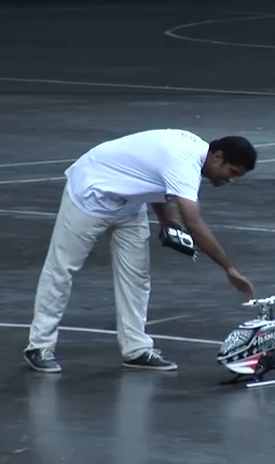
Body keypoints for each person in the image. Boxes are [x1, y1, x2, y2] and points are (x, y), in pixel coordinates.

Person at [23, 128, 257, 373]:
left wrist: (165, 220)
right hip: (91, 194)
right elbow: (194, 223)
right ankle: (39, 346)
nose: (232, 180)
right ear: (218, 156)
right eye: (232, 172)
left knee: (137, 277)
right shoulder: (183, 161)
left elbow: (151, 176)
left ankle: (135, 349)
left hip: (129, 204)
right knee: (61, 269)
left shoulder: (193, 156)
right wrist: (229, 268)